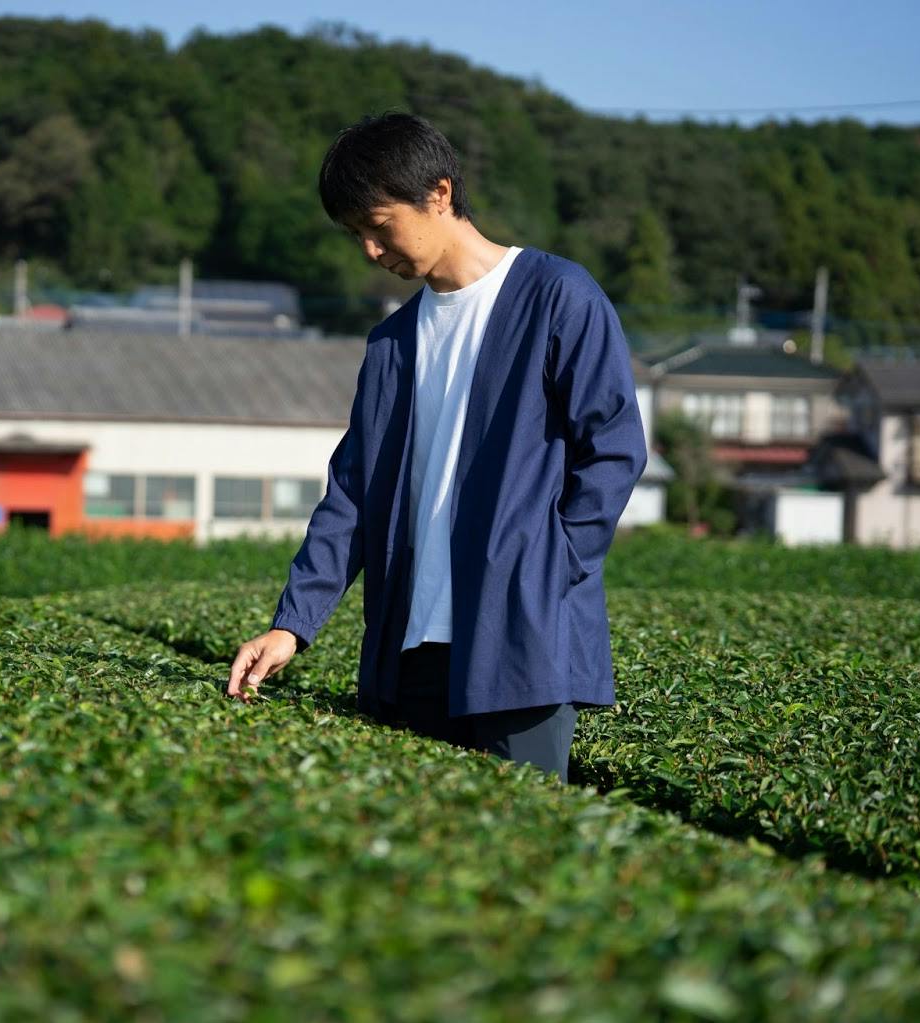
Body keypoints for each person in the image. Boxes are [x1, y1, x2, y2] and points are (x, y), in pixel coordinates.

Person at [226, 111, 647, 784]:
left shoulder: (557, 297)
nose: (371, 250)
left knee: (525, 836)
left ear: (440, 194)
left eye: (378, 225)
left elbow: (614, 449)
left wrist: (549, 566)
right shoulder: (391, 344)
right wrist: (292, 624)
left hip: (521, 643)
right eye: (356, 235)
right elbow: (352, 496)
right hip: (410, 650)